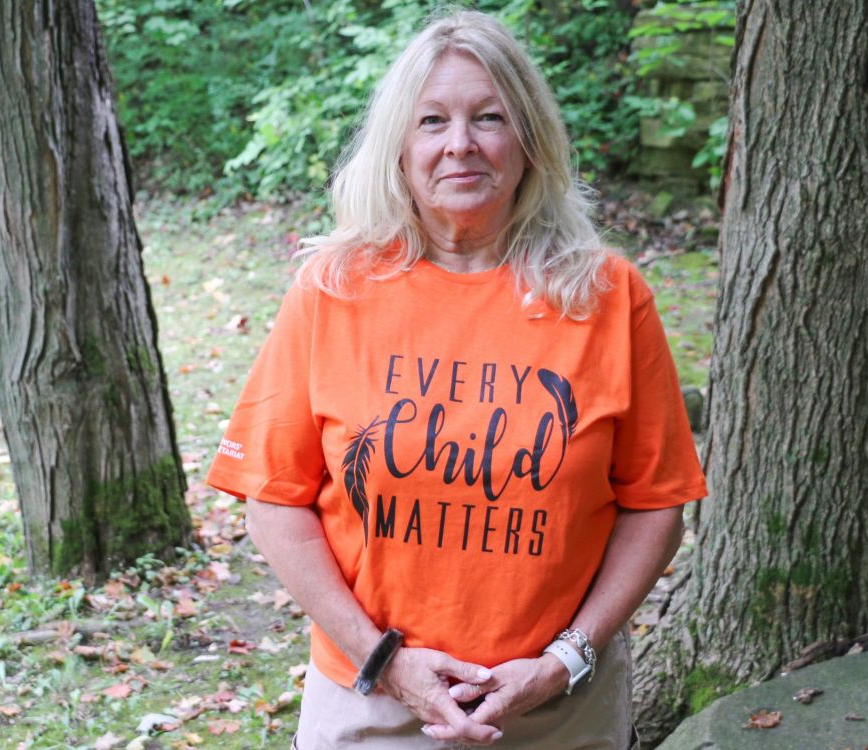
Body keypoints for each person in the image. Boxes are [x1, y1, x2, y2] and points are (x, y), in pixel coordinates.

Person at [206, 10, 706, 748]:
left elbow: (656, 505)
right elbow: (274, 503)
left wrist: (565, 660)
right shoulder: (333, 290)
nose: (460, 144)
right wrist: (385, 660)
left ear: (530, 139)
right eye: (432, 120)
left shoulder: (606, 295)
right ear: (399, 147)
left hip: (560, 709)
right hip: (373, 701)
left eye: (490, 117)